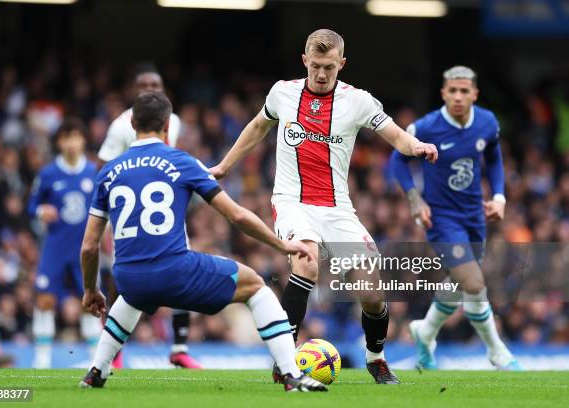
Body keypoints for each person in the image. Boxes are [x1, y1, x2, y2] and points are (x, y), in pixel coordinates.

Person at [210, 29, 438, 384]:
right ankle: (285, 360)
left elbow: (395, 136)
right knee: (307, 261)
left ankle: (376, 358)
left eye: (329, 67)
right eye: (315, 65)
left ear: (341, 64)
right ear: (304, 60)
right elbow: (257, 127)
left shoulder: (358, 101)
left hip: (337, 209)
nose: (320, 74)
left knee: (372, 293)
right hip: (292, 202)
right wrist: (225, 165)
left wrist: (417, 146)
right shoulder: (283, 93)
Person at [79, 92, 327, 392]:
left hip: (128, 277)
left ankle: (96, 371)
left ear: (132, 123)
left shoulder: (107, 172)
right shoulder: (182, 162)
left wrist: (91, 290)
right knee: (256, 287)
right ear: (167, 126)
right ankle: (290, 374)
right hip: (175, 270)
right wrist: (281, 244)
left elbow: (90, 246)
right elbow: (235, 215)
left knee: (132, 296)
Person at [389, 65, 522, 370]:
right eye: (453, 91)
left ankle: (425, 332)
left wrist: (499, 196)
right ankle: (496, 350)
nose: (459, 97)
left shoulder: (487, 122)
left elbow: (493, 157)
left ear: (475, 93)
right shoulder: (427, 126)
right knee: (473, 283)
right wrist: (414, 198)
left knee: (460, 282)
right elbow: (398, 159)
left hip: (475, 214)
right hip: (442, 218)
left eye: (465, 91)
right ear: (443, 93)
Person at [98, 64, 199, 369]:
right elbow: (102, 169)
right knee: (122, 278)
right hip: (130, 215)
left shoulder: (174, 121)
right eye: (144, 85)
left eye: (156, 83)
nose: (151, 89)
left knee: (184, 267)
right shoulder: (120, 127)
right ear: (133, 91)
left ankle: (179, 347)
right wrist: (104, 223)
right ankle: (114, 352)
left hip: (165, 212)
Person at [27, 118, 100, 368]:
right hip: (56, 246)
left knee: (90, 301)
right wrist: (41, 212)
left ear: (83, 140)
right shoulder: (48, 173)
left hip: (85, 248)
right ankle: (42, 359)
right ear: (59, 142)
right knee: (45, 298)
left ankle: (96, 360)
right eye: (66, 137)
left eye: (76, 137)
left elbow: (103, 207)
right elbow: (32, 205)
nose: (71, 143)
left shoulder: (93, 172)